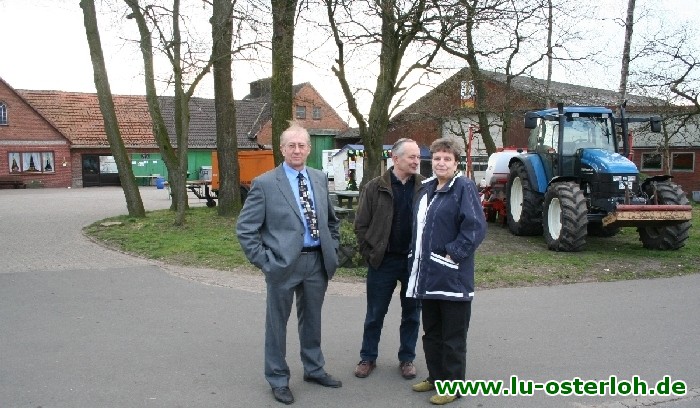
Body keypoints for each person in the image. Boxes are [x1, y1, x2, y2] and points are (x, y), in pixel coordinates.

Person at [236, 123, 342, 405]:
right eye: (291, 145)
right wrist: (266, 262)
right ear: (282, 149)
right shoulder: (265, 183)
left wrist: (332, 248)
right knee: (277, 325)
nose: (297, 150)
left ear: (309, 149)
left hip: (316, 261)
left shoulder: (319, 178)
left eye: (301, 145)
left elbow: (331, 221)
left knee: (312, 320)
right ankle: (278, 378)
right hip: (282, 265)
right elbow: (246, 229)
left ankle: (314, 369)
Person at [407, 138, 487, 405]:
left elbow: (475, 227)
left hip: (453, 277)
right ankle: (435, 377)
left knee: (453, 336)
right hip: (428, 277)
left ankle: (453, 385)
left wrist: (453, 253)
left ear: (456, 163)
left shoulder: (463, 187)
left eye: (447, 159)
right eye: (437, 158)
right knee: (432, 333)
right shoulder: (427, 188)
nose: (441, 163)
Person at [353, 138, 425, 380]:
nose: (416, 161)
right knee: (375, 313)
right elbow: (361, 225)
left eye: (418, 157)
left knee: (412, 314)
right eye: (412, 157)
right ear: (395, 159)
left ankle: (407, 358)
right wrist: (370, 252)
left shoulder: (425, 187)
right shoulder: (374, 187)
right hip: (382, 262)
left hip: (413, 263)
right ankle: (367, 357)